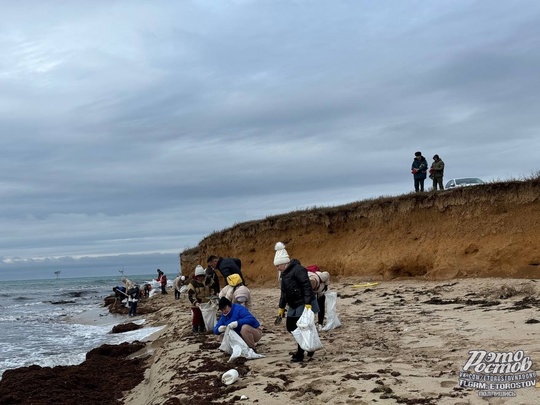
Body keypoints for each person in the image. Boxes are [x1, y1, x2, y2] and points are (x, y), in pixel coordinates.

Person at [274, 241, 319, 362]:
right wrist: (281, 308)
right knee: (290, 327)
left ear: (284, 263)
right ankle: (308, 347)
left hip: (303, 302)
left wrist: (308, 303)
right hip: (292, 304)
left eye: (278, 265)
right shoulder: (283, 275)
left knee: (300, 327)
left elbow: (306, 286)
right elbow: (283, 293)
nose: (277, 268)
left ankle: (300, 353)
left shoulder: (299, 270)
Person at [187, 265, 213, 333]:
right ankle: (195, 328)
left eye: (201, 276)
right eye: (198, 276)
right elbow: (190, 295)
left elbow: (213, 288)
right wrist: (195, 302)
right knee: (197, 315)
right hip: (196, 303)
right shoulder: (192, 283)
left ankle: (202, 328)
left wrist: (213, 295)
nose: (200, 278)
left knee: (203, 316)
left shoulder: (208, 280)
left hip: (206, 302)